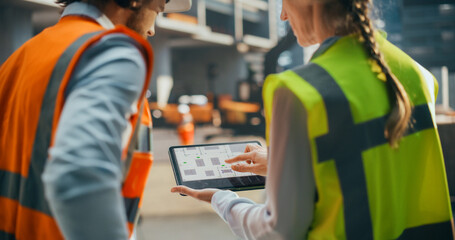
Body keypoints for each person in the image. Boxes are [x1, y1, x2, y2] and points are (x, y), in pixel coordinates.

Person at [171, 0, 455, 239]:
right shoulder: (416, 75)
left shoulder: (299, 90)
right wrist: (286, 162)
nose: (282, 14)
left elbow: (278, 231)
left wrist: (222, 200)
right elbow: (376, 168)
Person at [0, 0, 189, 239]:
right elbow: (78, 176)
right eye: (157, 10)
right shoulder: (111, 51)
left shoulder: (17, 59)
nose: (152, 30)